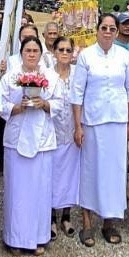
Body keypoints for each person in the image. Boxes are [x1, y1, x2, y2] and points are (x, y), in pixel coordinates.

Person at [70, 13, 129, 246]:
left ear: (117, 31)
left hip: (117, 122)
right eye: (104, 27)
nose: (108, 32)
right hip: (92, 121)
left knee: (115, 172)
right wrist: (77, 125)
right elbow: (77, 92)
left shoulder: (125, 56)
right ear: (97, 29)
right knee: (91, 170)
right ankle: (87, 221)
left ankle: (110, 222)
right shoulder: (86, 56)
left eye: (112, 28)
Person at [0, 36, 57, 255]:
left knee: (40, 190)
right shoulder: (10, 77)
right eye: (27, 50)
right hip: (17, 138)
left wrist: (46, 104)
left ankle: (38, 238)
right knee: (17, 190)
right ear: (21, 52)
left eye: (35, 50)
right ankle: (15, 239)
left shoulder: (50, 77)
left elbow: (61, 103)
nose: (31, 54)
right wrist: (15, 108)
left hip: (42, 139)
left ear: (40, 53)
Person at [48, 36, 80, 237]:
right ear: (54, 52)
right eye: (61, 50)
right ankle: (50, 216)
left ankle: (66, 215)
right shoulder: (47, 76)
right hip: (52, 132)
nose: (65, 54)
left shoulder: (78, 74)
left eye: (69, 50)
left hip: (73, 131)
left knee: (71, 174)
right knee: (52, 174)